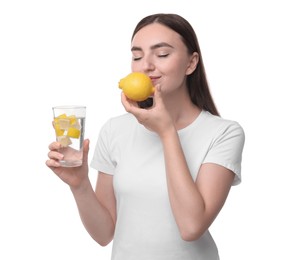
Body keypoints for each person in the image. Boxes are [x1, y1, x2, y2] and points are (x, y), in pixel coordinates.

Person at [46, 13, 245, 260]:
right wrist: (80, 184)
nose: (146, 65)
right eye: (137, 56)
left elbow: (191, 227)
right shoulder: (114, 130)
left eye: (162, 54)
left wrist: (166, 132)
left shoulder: (223, 133)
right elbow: (104, 234)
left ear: (191, 63)